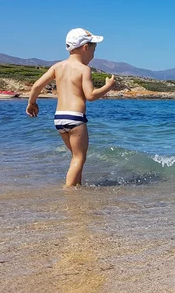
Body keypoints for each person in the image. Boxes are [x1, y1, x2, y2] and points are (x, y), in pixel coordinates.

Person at [26, 28, 115, 187]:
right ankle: (68, 192)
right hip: (75, 118)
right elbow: (91, 95)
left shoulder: (57, 66)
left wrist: (32, 103)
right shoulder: (84, 69)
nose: (93, 56)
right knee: (80, 157)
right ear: (85, 48)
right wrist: (108, 86)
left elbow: (37, 86)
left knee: (75, 156)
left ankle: (77, 186)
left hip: (59, 118)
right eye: (93, 51)